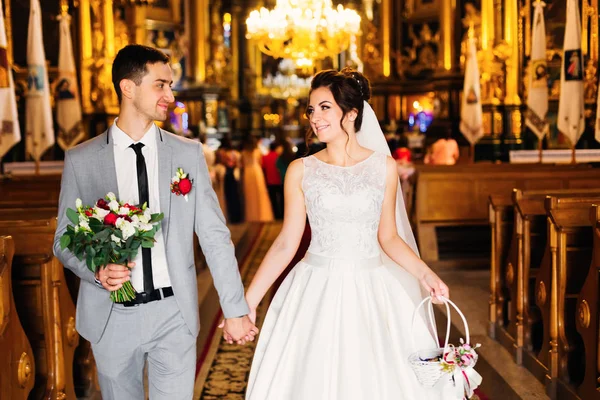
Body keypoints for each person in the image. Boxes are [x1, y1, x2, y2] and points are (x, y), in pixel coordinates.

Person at [52, 44, 257, 400]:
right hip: (111, 315)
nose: (170, 95)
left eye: (170, 85)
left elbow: (214, 236)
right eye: (160, 85)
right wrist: (97, 271)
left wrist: (235, 308)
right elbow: (63, 240)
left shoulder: (187, 153)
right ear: (128, 88)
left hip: (173, 312)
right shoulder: (81, 160)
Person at [244, 68, 450, 399]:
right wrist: (248, 302)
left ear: (352, 113)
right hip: (315, 285)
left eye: (325, 107)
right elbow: (285, 243)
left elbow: (389, 237)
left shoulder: (384, 167)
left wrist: (426, 275)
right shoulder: (301, 170)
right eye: (312, 109)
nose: (315, 117)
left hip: (372, 285)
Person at [241, 135, 274, 222]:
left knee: (249, 195)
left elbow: (242, 165)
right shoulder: (257, 151)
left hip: (247, 173)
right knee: (260, 193)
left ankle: (251, 215)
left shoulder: (243, 152)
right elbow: (261, 162)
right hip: (256, 172)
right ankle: (261, 214)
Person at [262, 141, 284, 219]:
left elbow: (263, 169)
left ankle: (276, 216)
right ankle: (282, 215)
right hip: (279, 181)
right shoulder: (279, 156)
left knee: (273, 201)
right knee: (282, 200)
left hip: (270, 181)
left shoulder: (265, 157)